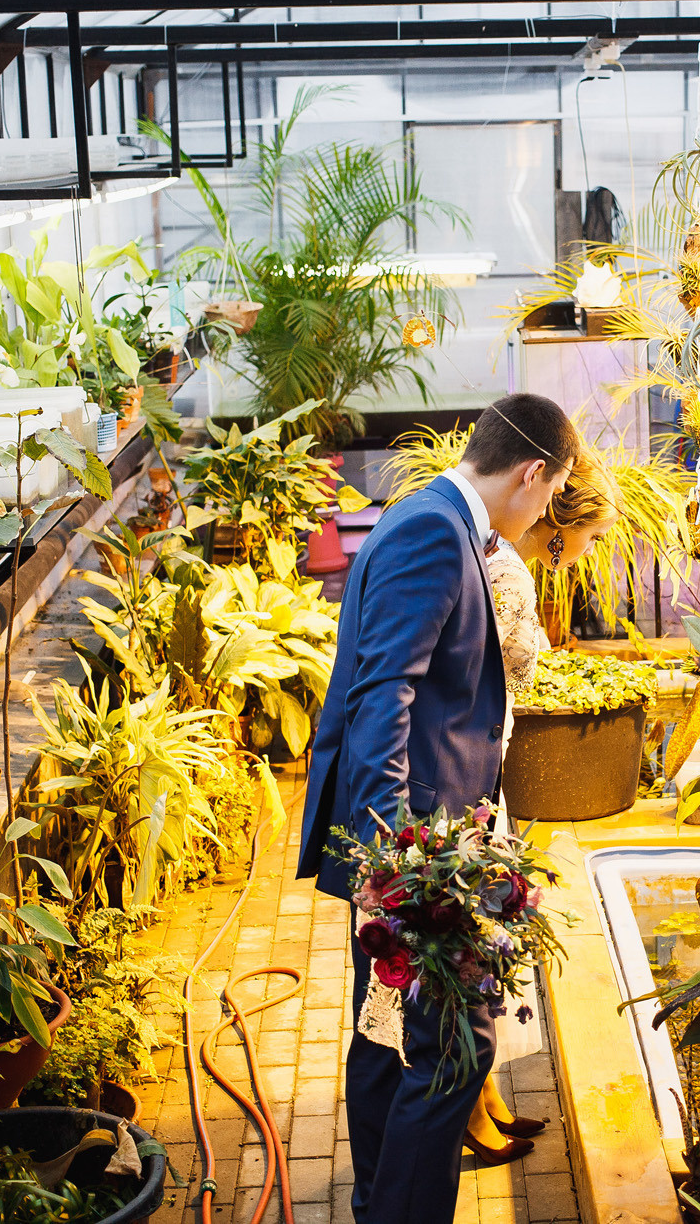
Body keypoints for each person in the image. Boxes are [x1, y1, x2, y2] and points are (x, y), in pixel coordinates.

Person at [297, 392, 582, 1224]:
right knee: (458, 1047)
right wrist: (395, 866)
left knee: (390, 1037)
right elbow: (382, 694)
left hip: (423, 836)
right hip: (417, 849)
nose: (542, 514)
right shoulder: (431, 531)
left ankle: (378, 1200)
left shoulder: (432, 517)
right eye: (552, 493)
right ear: (534, 472)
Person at [463, 450, 621, 1165]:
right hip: (468, 773)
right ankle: (469, 1106)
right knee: (472, 945)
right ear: (564, 525)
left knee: (484, 944)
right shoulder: (509, 572)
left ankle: (483, 1094)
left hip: (483, 766)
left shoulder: (501, 558)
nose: (589, 552)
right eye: (591, 538)